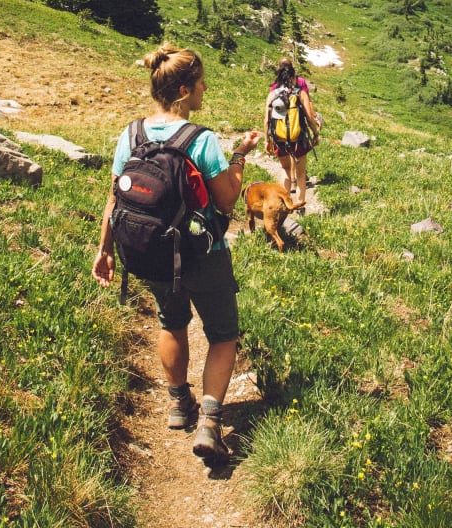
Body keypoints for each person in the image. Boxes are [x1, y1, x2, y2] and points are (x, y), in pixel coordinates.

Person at [92, 43, 260, 463]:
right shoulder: (200, 140)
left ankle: (176, 403)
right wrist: (239, 156)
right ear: (185, 90)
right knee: (223, 335)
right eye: (201, 82)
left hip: (150, 251)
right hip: (203, 253)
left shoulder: (131, 134)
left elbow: (115, 197)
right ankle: (209, 421)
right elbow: (225, 202)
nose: (205, 89)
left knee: (172, 322)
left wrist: (104, 250)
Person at [264, 58, 320, 205]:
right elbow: (309, 117)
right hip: (298, 138)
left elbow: (266, 120)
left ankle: (285, 204)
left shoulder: (272, 93)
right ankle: (300, 205)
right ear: (293, 74)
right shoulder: (300, 93)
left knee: (286, 170)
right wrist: (315, 134)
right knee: (301, 174)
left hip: (279, 139)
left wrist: (267, 140)